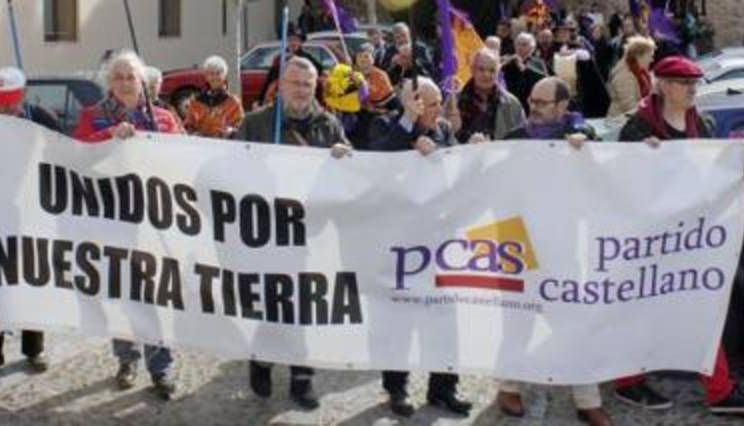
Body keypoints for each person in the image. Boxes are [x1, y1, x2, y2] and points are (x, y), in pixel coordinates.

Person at [613, 56, 744, 416]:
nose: (692, 90)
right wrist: (641, 159)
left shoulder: (700, 122)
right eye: (685, 84)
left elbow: (715, 168)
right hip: (649, 239)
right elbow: (618, 181)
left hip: (690, 237)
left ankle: (720, 391)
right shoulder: (637, 127)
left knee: (704, 308)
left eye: (694, 84)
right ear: (664, 86)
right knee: (639, 312)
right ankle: (628, 382)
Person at [493, 77, 612, 426]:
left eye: (543, 102)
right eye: (532, 100)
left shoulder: (577, 137)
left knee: (574, 320)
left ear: (563, 106)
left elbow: (601, 152)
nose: (535, 106)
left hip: (563, 243)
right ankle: (509, 386)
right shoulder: (515, 140)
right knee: (517, 320)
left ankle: (587, 400)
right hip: (518, 243)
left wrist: (585, 137)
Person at [238, 57, 352, 410]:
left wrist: (343, 157)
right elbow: (230, 169)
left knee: (304, 305)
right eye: (295, 82)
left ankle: (302, 378)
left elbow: (349, 172)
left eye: (308, 83)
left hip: (309, 234)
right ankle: (261, 358)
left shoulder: (328, 125)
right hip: (267, 232)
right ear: (281, 85)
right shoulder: (256, 123)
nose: (302, 90)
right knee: (270, 303)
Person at [72, 51, 181, 400]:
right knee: (121, 292)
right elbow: (75, 156)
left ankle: (160, 365)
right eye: (117, 76)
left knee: (155, 295)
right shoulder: (93, 117)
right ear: (109, 83)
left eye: (129, 76)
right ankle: (126, 358)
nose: (123, 82)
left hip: (155, 224)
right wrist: (109, 139)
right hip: (112, 222)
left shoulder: (163, 118)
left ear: (142, 81)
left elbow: (185, 157)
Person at [369, 78, 473, 418]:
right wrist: (408, 126)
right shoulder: (386, 124)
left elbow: (458, 171)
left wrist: (471, 150)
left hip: (440, 243)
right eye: (431, 104)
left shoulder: (443, 129)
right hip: (400, 243)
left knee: (445, 316)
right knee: (398, 318)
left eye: (439, 103)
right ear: (412, 103)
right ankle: (396, 389)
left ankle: (444, 388)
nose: (439, 110)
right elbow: (378, 158)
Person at [0, 67, 61, 381]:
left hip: (32, 216)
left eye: (12, 98)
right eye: (0, 99)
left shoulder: (43, 118)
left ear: (24, 94)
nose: (6, 105)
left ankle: (34, 347)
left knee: (33, 279)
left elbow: (63, 155)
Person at [455, 48, 525, 142]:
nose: (486, 75)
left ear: (498, 73)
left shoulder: (512, 104)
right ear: (472, 70)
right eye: (481, 69)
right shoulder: (455, 101)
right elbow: (446, 139)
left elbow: (521, 138)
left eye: (492, 71)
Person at [258, 25, 323, 106]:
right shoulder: (280, 59)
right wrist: (259, 100)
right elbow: (270, 80)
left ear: (301, 42)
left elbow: (319, 73)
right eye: (291, 40)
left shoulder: (308, 59)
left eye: (296, 40)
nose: (293, 43)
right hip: (283, 100)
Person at [184, 55, 244, 138]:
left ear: (224, 76)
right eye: (211, 73)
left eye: (218, 73)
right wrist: (194, 133)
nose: (215, 77)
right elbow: (188, 125)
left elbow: (241, 127)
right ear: (206, 77)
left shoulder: (233, 102)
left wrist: (231, 131)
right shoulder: (196, 101)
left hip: (224, 145)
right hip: (201, 145)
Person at [606, 36, 656, 118]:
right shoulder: (623, 76)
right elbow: (630, 107)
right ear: (639, 56)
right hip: (620, 123)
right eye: (650, 56)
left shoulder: (642, 73)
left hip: (634, 121)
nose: (652, 60)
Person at [501, 32, 548, 112]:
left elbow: (544, 79)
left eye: (524, 45)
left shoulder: (537, 63)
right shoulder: (508, 60)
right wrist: (508, 63)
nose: (520, 47)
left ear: (532, 48)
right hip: (510, 104)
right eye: (518, 44)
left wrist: (525, 69)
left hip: (530, 105)